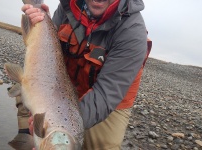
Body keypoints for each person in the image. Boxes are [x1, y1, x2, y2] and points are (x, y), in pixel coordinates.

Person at [10, 0, 152, 149]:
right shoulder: (69, 4)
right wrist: (42, 21)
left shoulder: (133, 32)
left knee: (101, 145)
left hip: (110, 96)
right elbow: (48, 54)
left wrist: (56, 126)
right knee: (28, 86)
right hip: (68, 80)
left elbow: (104, 97)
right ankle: (25, 138)